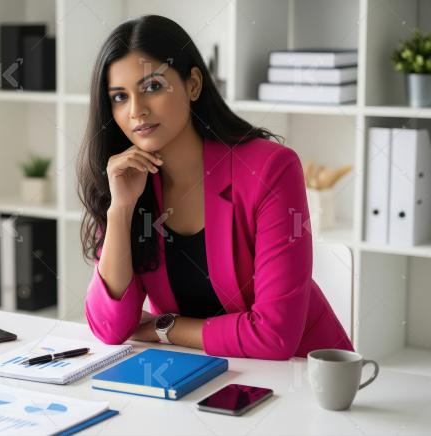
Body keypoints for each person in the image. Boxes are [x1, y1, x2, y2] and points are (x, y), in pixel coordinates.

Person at [77, 15, 353, 360]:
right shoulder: (131, 182)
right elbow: (109, 328)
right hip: (197, 372)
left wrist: (166, 327)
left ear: (193, 84)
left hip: (300, 380)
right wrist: (120, 209)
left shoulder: (270, 169)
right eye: (119, 97)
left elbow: (274, 337)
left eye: (152, 87)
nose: (137, 111)